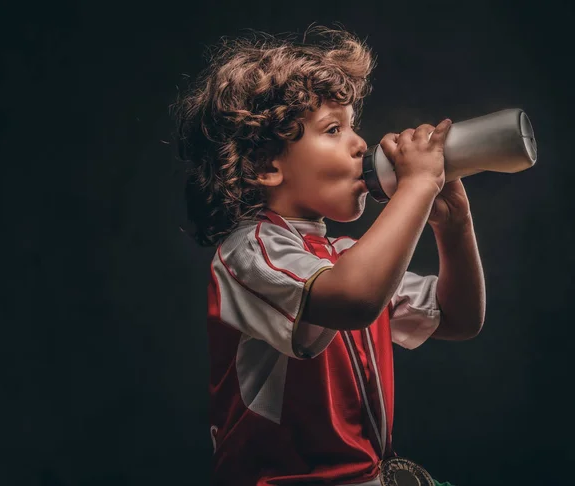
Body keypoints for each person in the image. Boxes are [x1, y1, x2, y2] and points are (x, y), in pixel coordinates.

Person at [175, 26, 485, 486]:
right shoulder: (249, 252)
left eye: (354, 125)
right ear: (266, 166)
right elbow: (354, 299)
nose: (361, 143)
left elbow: (459, 319)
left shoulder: (349, 256)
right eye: (334, 129)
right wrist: (418, 186)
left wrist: (454, 226)